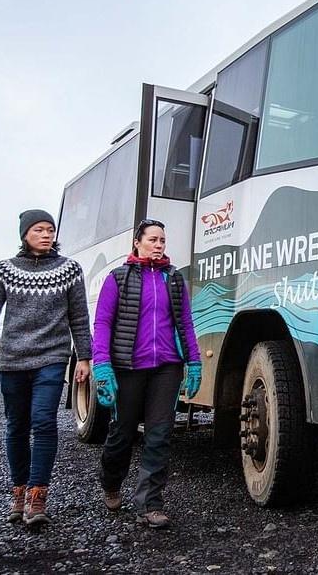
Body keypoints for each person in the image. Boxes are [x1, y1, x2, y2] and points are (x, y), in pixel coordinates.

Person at [0, 209, 92, 526]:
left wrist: (85, 358)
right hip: (12, 360)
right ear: (25, 234)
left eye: (50, 229)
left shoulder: (69, 270)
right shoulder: (5, 271)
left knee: (44, 422)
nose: (46, 234)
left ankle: (38, 498)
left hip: (52, 358)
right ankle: (19, 492)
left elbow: (79, 318)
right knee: (16, 425)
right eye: (39, 229)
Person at [92, 219, 201, 529]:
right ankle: (111, 481)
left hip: (166, 368)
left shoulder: (174, 280)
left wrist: (193, 362)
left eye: (162, 240)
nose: (158, 244)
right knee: (122, 434)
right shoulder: (119, 278)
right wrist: (102, 365)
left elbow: (186, 324)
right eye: (152, 239)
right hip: (128, 368)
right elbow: (102, 324)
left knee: (159, 435)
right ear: (137, 242)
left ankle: (150, 504)